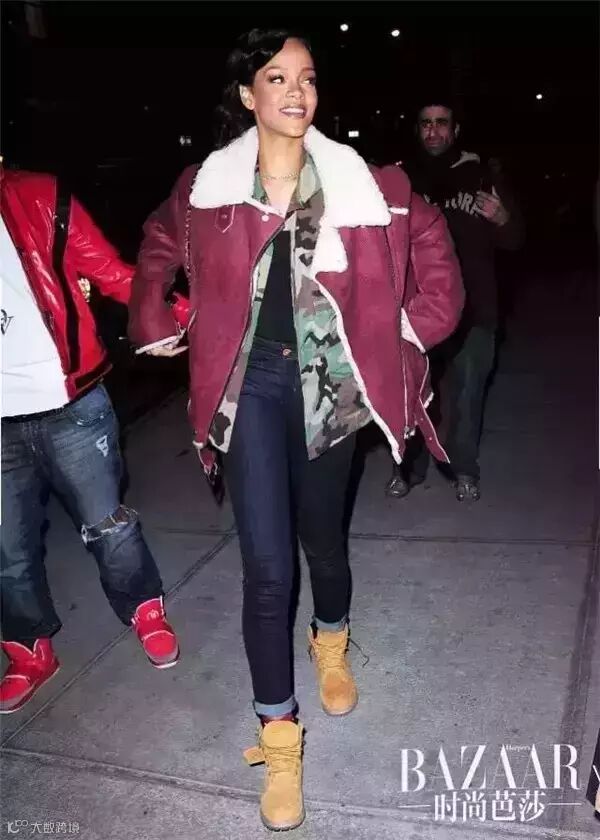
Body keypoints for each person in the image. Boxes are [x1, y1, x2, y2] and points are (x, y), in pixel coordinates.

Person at [129, 29, 463, 832]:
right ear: (247, 94)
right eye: (276, 78)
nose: (295, 91)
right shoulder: (208, 186)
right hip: (250, 386)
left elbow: (434, 251)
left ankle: (332, 641)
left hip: (331, 386)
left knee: (324, 544)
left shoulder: (366, 183)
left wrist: (409, 328)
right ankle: (279, 740)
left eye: (306, 78)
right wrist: (156, 313)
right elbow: (159, 243)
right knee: (267, 569)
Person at [0, 165, 181, 715]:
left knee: (109, 526)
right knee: (7, 550)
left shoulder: (39, 197)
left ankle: (145, 610)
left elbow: (108, 271)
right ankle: (29, 650)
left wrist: (177, 315)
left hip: (71, 404)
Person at [385, 97, 524, 502]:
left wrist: (503, 219)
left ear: (456, 129)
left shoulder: (481, 176)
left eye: (441, 122)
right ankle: (407, 469)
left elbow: (516, 240)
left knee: (467, 394)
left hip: (475, 308)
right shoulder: (401, 179)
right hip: (417, 310)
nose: (433, 130)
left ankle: (464, 471)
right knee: (412, 392)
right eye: (425, 123)